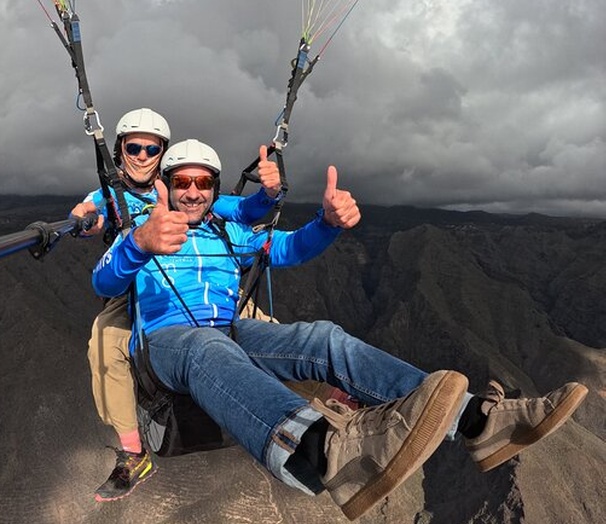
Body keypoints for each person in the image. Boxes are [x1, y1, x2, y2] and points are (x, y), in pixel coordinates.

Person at [91, 138, 589, 520]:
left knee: (321, 337)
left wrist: (327, 224)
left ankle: (479, 421)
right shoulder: (147, 229)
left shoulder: (231, 232)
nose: (194, 192)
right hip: (165, 346)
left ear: (215, 189)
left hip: (229, 330)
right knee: (204, 346)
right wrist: (140, 242)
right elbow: (103, 278)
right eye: (184, 182)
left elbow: (286, 249)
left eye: (204, 183)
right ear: (169, 185)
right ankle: (321, 450)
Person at [68, 108, 283, 501]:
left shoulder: (183, 185)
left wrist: (269, 193)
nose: (143, 156)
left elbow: (242, 210)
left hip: (201, 281)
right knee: (104, 342)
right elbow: (89, 216)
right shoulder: (111, 194)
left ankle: (327, 392)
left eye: (153, 149)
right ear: (120, 150)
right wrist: (85, 223)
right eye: (134, 147)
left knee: (267, 328)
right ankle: (133, 451)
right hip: (139, 286)